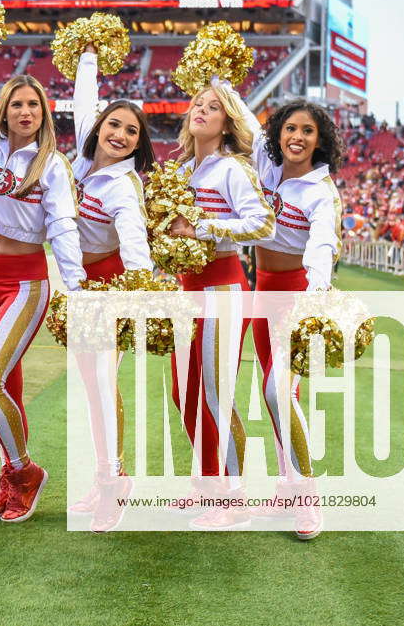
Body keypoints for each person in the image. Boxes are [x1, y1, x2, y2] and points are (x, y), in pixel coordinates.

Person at [0, 36, 85, 524]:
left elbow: (65, 228)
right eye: (17, 104)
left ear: (45, 113)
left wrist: (75, 289)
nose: (25, 111)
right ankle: (10, 482)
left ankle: (25, 472)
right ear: (3, 111)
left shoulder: (52, 165)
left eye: (33, 104)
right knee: (3, 383)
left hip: (26, 283)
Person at [236, 96, 346, 540]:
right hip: (264, 290)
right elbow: (243, 115)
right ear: (277, 132)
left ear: (320, 141)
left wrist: (316, 296)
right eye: (290, 129)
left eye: (308, 131)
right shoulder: (265, 164)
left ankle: (307, 494)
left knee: (279, 390)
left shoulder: (321, 191)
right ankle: (287, 486)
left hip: (298, 295)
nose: (297, 137)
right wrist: (219, 74)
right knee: (276, 394)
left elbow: (322, 245)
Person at [168, 79, 274, 529]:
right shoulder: (181, 170)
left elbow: (263, 224)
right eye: (198, 103)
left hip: (222, 288)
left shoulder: (233, 168)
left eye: (213, 107)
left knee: (216, 394)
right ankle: (208, 482)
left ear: (227, 122)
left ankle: (234, 494)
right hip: (184, 289)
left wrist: (202, 228)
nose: (201, 110)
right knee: (182, 392)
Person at [66, 46, 156, 531]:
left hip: (110, 286)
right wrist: (87, 54)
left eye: (131, 131)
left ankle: (111, 488)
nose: (120, 134)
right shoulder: (79, 167)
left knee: (101, 386)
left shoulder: (124, 186)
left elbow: (135, 242)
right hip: (81, 287)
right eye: (114, 124)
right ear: (98, 128)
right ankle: (112, 479)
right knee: (94, 390)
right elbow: (85, 101)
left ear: (138, 144)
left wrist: (138, 289)